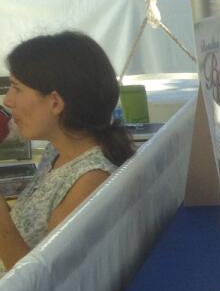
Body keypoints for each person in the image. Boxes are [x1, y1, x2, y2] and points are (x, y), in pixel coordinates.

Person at [0, 32, 134, 276]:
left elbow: (40, 285)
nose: (8, 101)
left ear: (55, 103)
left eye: (17, 89)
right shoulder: (57, 152)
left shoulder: (90, 181)